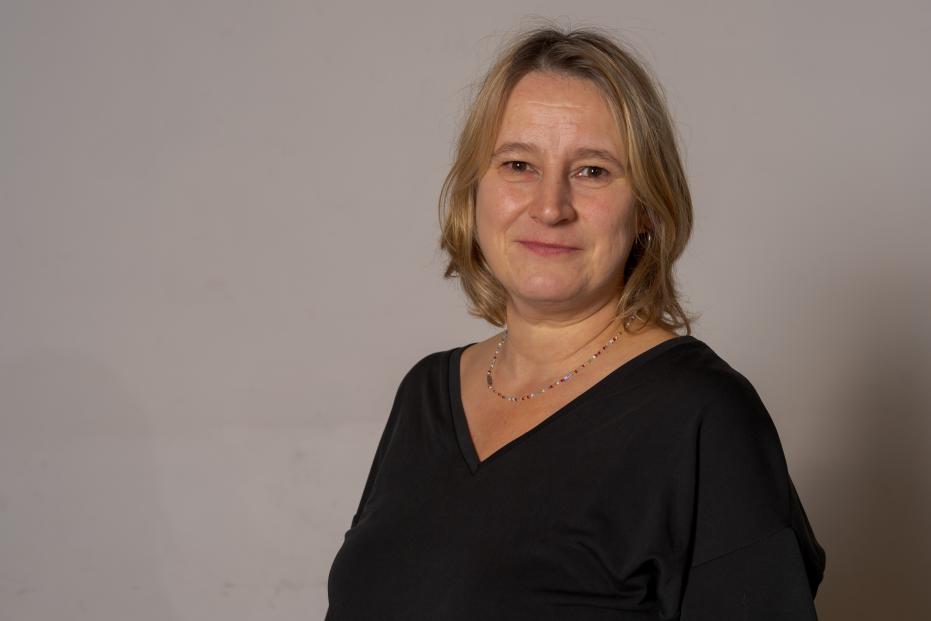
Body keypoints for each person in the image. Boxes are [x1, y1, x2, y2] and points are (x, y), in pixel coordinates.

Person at [324, 24, 826, 620]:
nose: (550, 206)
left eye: (592, 171)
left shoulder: (703, 417)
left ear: (647, 207)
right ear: (475, 191)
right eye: (518, 164)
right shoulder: (425, 394)